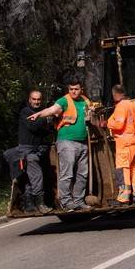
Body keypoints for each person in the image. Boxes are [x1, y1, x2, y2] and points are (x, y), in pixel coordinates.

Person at [33, 78, 91, 210]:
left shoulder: (85, 101)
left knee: (82, 174)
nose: (73, 92)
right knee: (67, 173)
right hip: (67, 142)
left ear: (81, 89)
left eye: (76, 89)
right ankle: (66, 202)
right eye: (71, 89)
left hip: (82, 142)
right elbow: (53, 109)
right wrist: (39, 114)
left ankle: (78, 201)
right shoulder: (64, 100)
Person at [105, 84, 135, 204]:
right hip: (134, 141)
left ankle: (124, 197)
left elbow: (118, 124)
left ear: (115, 94)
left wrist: (107, 124)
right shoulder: (131, 105)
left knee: (123, 168)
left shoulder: (121, 106)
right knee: (133, 168)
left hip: (124, 143)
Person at [12, 89, 52, 212]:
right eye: (34, 99)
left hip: (39, 149)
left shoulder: (40, 113)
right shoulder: (26, 112)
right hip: (26, 150)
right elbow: (33, 126)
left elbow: (45, 131)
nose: (36, 102)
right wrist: (46, 117)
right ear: (29, 100)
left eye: (38, 99)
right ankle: (39, 204)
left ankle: (31, 204)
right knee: (35, 174)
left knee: (34, 176)